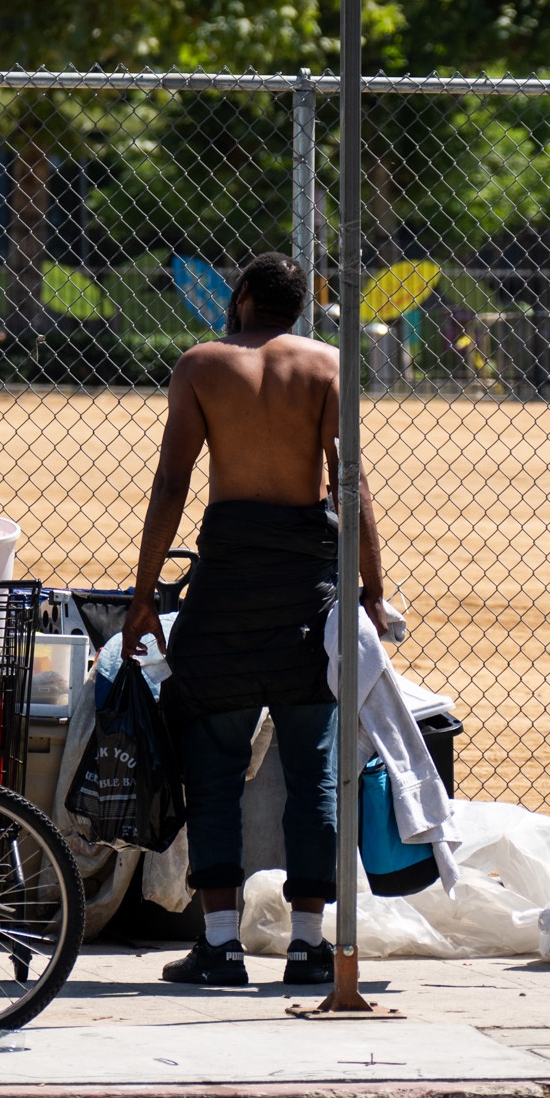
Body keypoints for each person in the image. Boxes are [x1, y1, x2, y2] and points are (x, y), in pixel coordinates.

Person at [123, 253, 387, 990]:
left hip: (227, 588)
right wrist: (369, 586)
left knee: (211, 768)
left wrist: (143, 596)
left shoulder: (201, 364)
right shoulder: (328, 364)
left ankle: (218, 946)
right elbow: (351, 482)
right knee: (313, 775)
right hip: (305, 591)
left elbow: (172, 481)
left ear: (239, 299)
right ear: (297, 310)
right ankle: (309, 947)